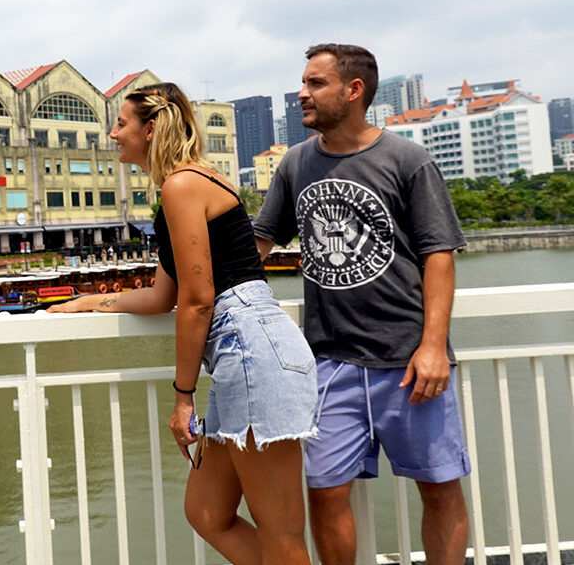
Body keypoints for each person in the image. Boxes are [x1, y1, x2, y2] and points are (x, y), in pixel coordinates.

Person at [50, 82, 316, 565]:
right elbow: (163, 296)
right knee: (207, 511)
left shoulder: (182, 185)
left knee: (281, 534)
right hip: (244, 354)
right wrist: (87, 302)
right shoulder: (186, 184)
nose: (113, 134)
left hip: (253, 353)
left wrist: (183, 397)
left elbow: (197, 301)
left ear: (150, 129)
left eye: (121, 124)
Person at [253, 44, 470, 565]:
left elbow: (438, 256)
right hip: (329, 362)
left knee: (439, 487)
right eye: (303, 83)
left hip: (408, 362)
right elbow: (258, 243)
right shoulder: (296, 162)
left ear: (353, 90)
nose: (302, 94)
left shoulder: (407, 160)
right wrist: (192, 286)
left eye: (315, 83)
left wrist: (433, 347)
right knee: (326, 493)